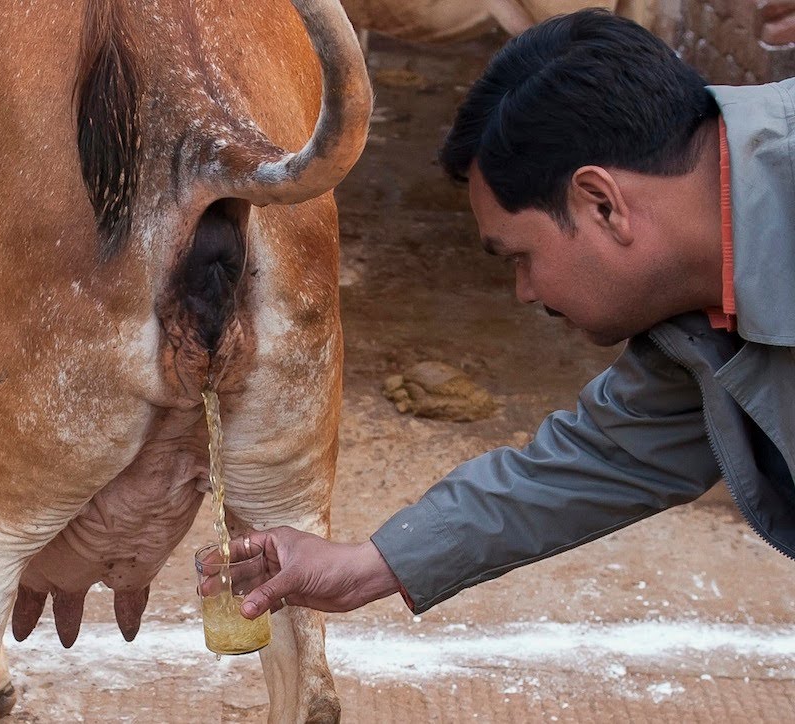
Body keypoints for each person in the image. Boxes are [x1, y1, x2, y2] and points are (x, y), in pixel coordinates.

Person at [234, 8, 795, 621]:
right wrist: (369, 566)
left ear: (602, 204)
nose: (525, 291)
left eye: (521, 256)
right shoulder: (694, 313)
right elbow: (604, 457)